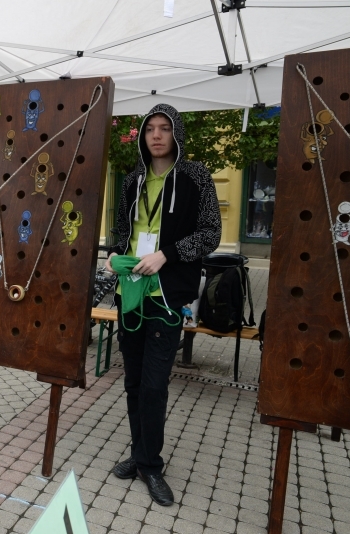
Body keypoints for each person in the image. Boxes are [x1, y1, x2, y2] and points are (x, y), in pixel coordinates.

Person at [105, 104, 221, 506]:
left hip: (167, 296)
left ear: (176, 134)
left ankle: (151, 466)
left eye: (164, 128)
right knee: (133, 382)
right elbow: (122, 227)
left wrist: (167, 254)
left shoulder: (195, 176)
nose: (156, 135)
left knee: (154, 385)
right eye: (150, 129)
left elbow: (211, 234)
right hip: (131, 292)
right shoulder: (133, 179)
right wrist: (115, 251)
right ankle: (140, 457)